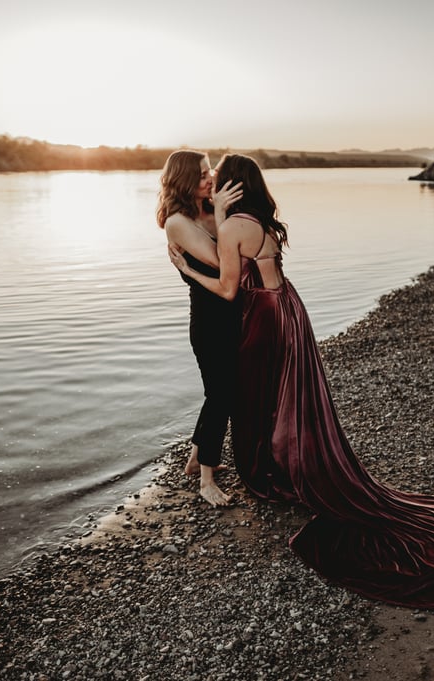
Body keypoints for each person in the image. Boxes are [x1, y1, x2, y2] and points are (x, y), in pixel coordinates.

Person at [169, 153, 434, 607]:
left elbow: (229, 288)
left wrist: (187, 271)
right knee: (282, 390)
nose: (213, 183)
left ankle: (263, 467)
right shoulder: (258, 220)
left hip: (263, 315)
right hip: (287, 307)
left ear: (233, 185)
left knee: (259, 393)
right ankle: (229, 458)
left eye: (219, 179)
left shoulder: (232, 226)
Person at [156, 150, 242, 507]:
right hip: (209, 322)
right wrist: (222, 212)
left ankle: (195, 460)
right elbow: (224, 260)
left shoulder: (208, 210)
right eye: (204, 174)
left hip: (233, 314)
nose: (211, 179)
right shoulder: (177, 221)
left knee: (219, 392)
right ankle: (206, 481)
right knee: (221, 395)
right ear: (185, 180)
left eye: (210, 172)